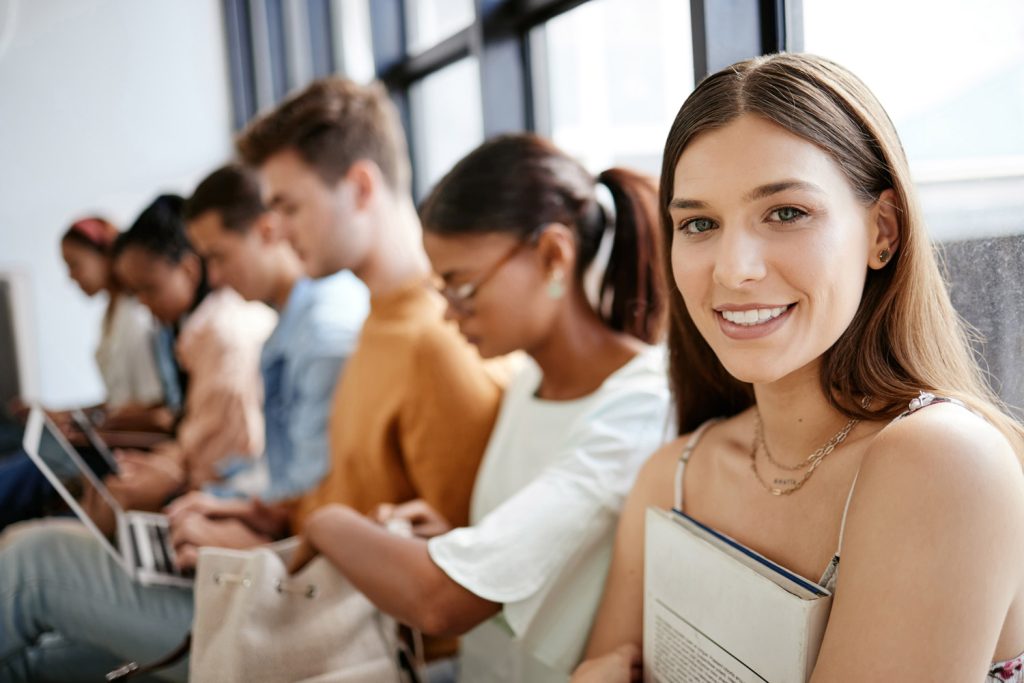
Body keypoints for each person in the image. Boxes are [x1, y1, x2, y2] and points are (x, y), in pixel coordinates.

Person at [0, 78, 501, 682]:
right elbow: (360, 501)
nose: (278, 230)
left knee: (33, 564)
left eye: (288, 207)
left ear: (360, 188)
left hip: (341, 627)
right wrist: (272, 517)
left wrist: (271, 551)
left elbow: (446, 593)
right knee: (45, 656)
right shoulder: (378, 326)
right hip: (307, 580)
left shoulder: (432, 345)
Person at [572, 53, 1024, 683]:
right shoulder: (672, 478)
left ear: (882, 232)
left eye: (786, 213)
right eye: (699, 223)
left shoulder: (944, 461)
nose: (735, 269)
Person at [289, 133, 673, 683]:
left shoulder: (638, 405)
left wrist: (326, 521)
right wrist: (454, 542)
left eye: (461, 286)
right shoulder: (528, 381)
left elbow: (442, 601)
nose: (449, 315)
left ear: (552, 255)